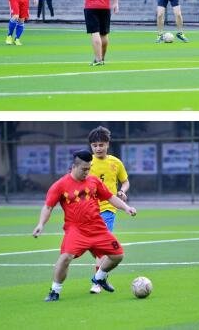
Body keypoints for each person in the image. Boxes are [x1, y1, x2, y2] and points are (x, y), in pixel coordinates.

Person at [32, 150, 136, 301]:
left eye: (89, 168)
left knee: (118, 255)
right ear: (74, 166)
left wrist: (126, 208)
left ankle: (99, 278)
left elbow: (110, 197)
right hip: (76, 229)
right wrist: (41, 224)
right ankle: (55, 291)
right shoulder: (60, 185)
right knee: (65, 257)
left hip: (97, 227)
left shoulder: (93, 181)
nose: (87, 172)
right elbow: (48, 207)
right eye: (84, 169)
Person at [87, 126, 130, 294]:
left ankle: (97, 282)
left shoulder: (116, 163)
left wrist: (122, 191)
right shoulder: (86, 163)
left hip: (107, 209)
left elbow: (125, 181)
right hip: (88, 210)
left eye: (101, 145)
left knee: (101, 245)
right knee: (95, 248)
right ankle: (101, 276)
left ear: (108, 144)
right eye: (95, 145)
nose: (98, 148)